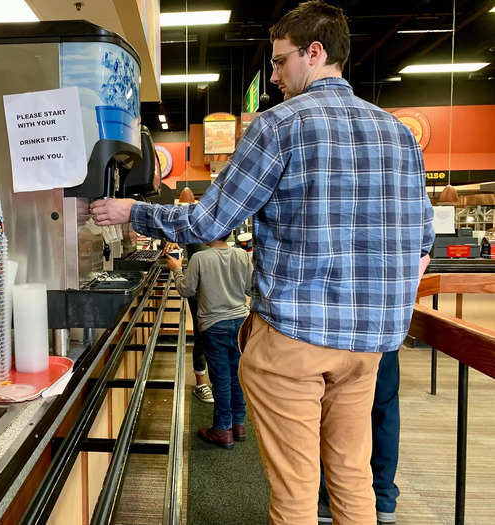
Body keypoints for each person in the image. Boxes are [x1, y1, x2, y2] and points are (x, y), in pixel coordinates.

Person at [90, 1, 434, 523]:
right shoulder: (397, 134)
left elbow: (208, 224)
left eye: (279, 61)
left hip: (296, 339)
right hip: (370, 346)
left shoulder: (279, 125)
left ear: (314, 53)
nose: (273, 75)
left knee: (295, 493)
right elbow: (423, 241)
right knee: (352, 477)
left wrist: (135, 211)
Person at [164, 235, 253, 448]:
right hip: (240, 322)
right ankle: (238, 424)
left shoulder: (200, 258)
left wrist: (176, 268)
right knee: (237, 375)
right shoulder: (241, 255)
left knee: (221, 378)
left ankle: (223, 429)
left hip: (214, 325)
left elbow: (186, 290)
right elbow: (251, 288)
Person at [318, 351, 401, 525]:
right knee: (385, 405)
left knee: (336, 401)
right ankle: (384, 499)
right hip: (386, 332)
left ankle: (328, 496)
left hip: (347, 339)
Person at [164, 241, 215, 404]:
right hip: (197, 283)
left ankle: (217, 382)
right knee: (202, 333)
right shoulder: (188, 224)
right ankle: (201, 384)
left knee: (218, 335)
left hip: (218, 280)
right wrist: (172, 243)